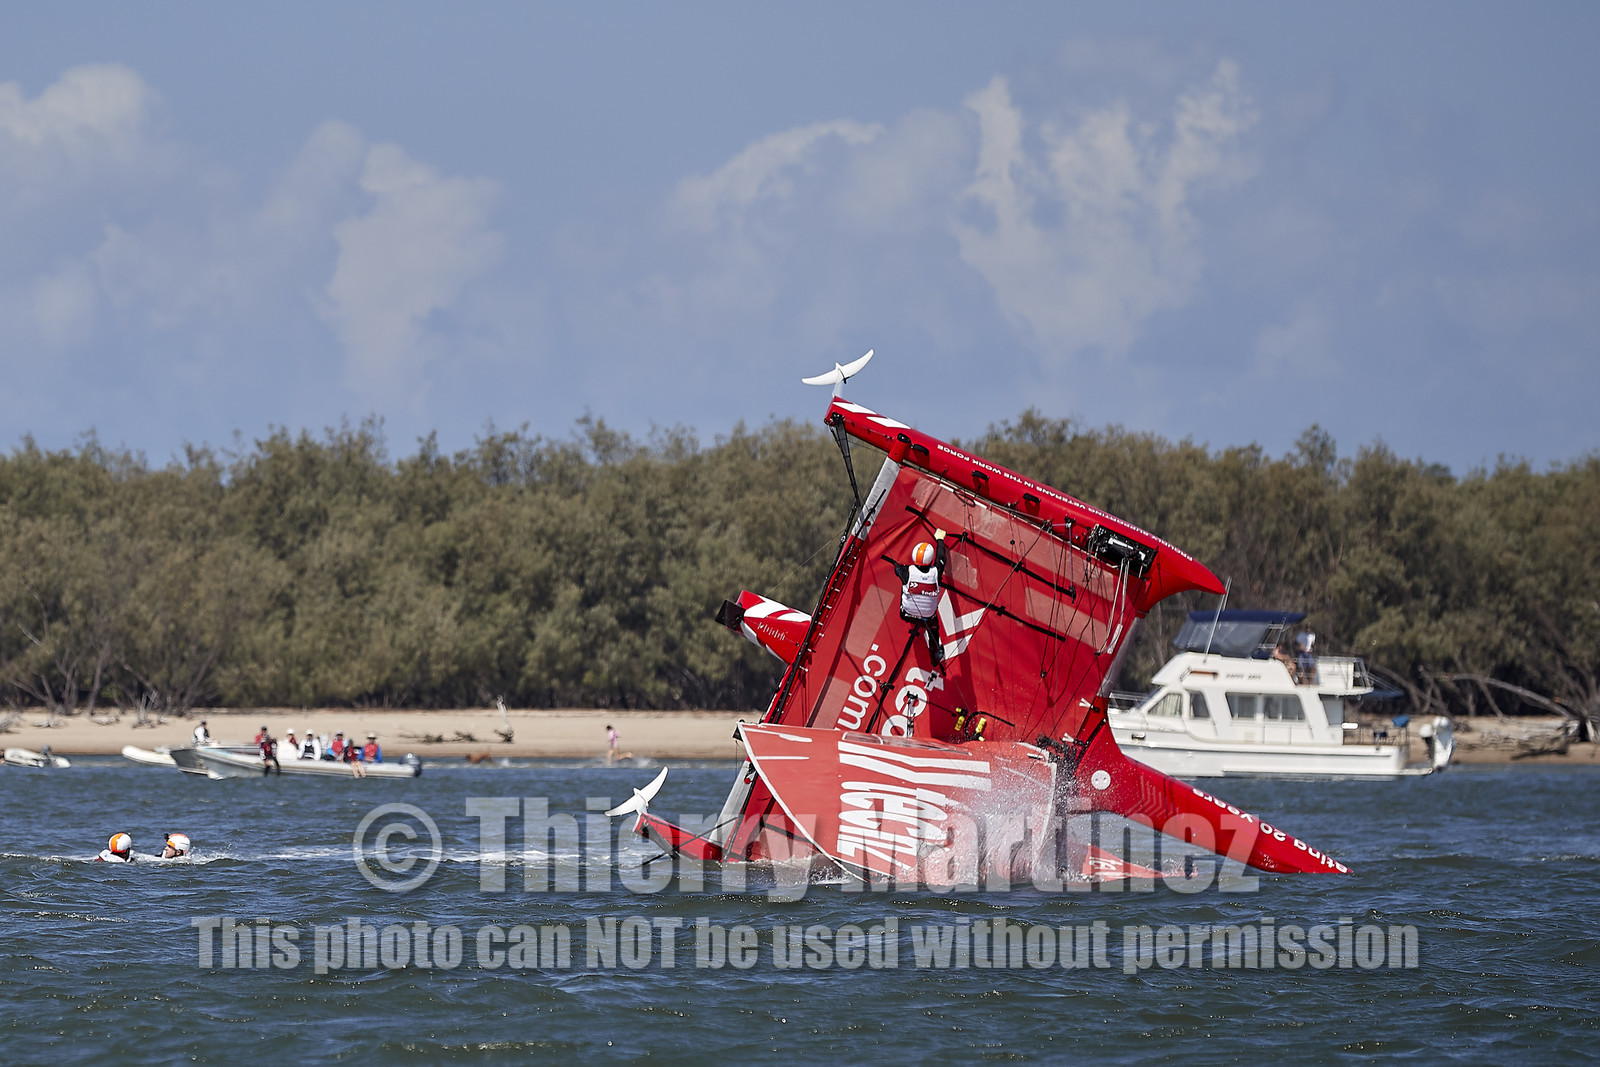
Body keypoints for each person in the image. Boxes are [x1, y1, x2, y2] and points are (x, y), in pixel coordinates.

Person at [892, 529, 949, 667]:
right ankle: (934, 656)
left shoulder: (907, 572)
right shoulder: (936, 572)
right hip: (928, 619)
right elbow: (942, 558)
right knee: (934, 630)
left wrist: (899, 568)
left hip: (906, 615)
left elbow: (897, 570)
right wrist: (940, 539)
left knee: (904, 587)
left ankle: (912, 609)